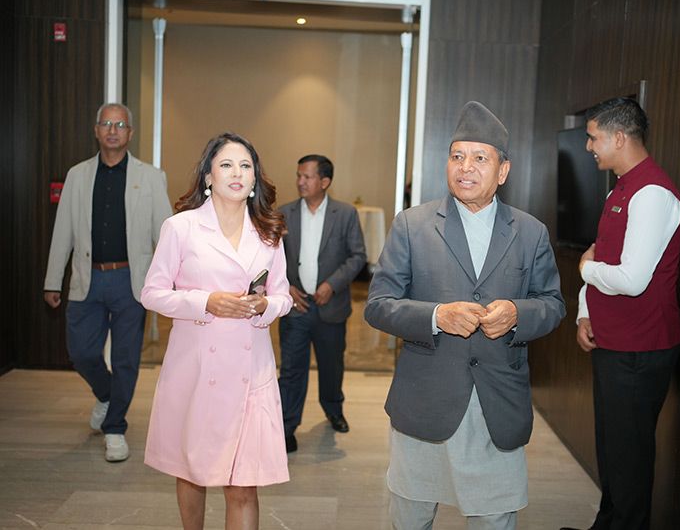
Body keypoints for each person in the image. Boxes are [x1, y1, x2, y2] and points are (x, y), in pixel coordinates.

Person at [365, 101, 566, 529]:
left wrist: (517, 313)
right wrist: (436, 316)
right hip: (426, 400)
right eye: (457, 156)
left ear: (503, 171)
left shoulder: (530, 232)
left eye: (479, 158)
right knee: (411, 516)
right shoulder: (412, 225)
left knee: (494, 518)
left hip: (496, 404)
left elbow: (552, 304)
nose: (465, 167)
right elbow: (378, 304)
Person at [141, 133, 292, 529]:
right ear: (208, 176)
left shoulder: (269, 232)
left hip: (251, 373)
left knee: (244, 486)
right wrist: (205, 302)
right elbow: (152, 293)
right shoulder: (181, 228)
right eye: (226, 165)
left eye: (245, 166)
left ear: (255, 178)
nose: (236, 173)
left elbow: (283, 296)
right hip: (195, 369)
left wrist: (265, 306)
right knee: (192, 471)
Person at [560, 98, 680, 530]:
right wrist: (584, 312)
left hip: (640, 347)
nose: (588, 146)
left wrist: (584, 269)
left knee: (630, 456)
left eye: (593, 137)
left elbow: (631, 279)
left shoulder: (652, 194)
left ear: (618, 137)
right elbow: (603, 257)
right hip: (613, 340)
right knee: (612, 448)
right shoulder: (620, 189)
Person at [43, 103, 172, 462]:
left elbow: (166, 235)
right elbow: (63, 232)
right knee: (81, 353)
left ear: (130, 133)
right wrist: (53, 280)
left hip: (132, 280)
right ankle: (106, 395)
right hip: (88, 278)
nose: (113, 130)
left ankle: (115, 428)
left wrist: (172, 283)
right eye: (106, 124)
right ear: (96, 130)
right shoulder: (78, 175)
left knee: (126, 358)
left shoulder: (151, 177)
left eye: (120, 125)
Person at [278, 154, 366, 453]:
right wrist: (285, 287)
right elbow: (270, 257)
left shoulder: (345, 214)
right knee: (291, 369)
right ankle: (287, 426)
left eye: (307, 177)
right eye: (299, 176)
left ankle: (333, 409)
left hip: (331, 306)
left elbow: (357, 256)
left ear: (325, 181)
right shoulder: (284, 213)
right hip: (296, 306)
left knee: (332, 366)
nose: (300, 182)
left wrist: (332, 284)